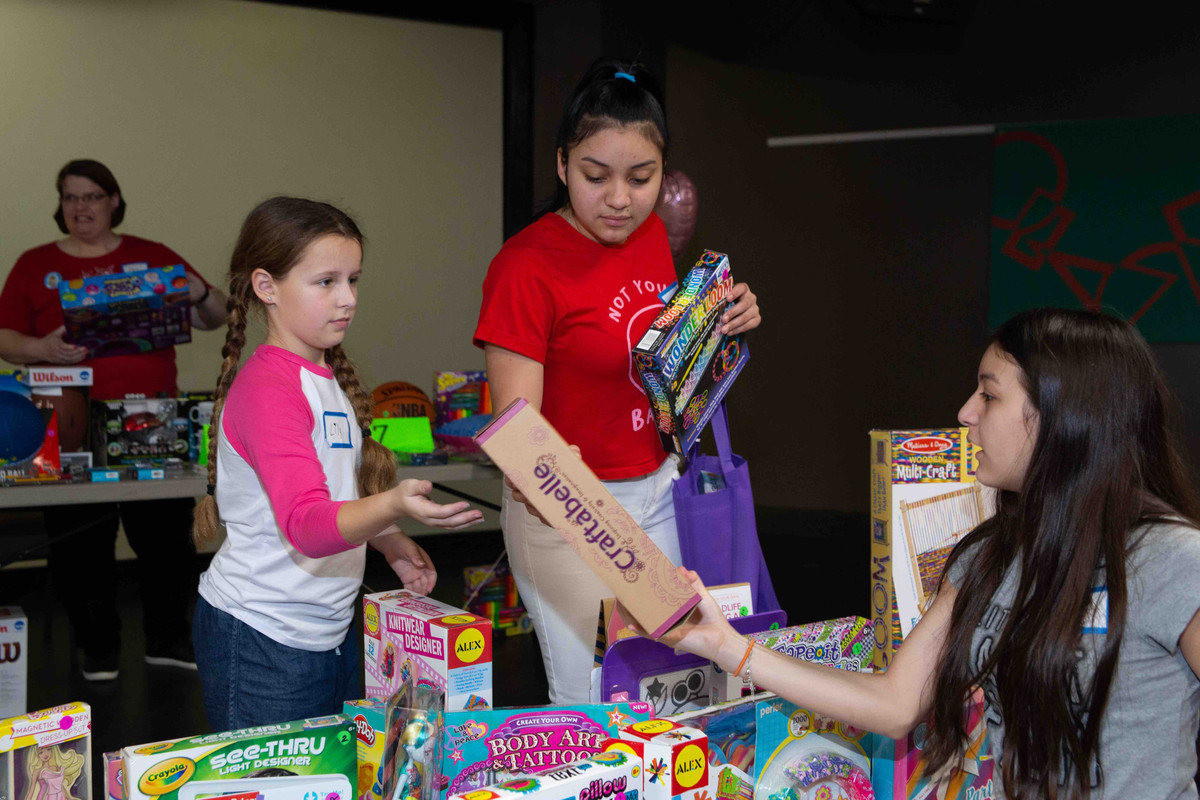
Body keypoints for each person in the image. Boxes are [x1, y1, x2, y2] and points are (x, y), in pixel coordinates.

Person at [650, 308, 1200, 799]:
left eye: (989, 394)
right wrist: (726, 647)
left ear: (1064, 414)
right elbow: (894, 703)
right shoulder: (989, 557)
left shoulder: (1174, 559)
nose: (965, 412)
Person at [473, 58, 763, 703]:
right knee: (593, 699)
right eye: (594, 176)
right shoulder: (525, 266)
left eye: (641, 178)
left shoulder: (651, 234)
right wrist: (564, 484)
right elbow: (523, 444)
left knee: (668, 688)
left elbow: (658, 354)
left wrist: (720, 320)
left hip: (658, 490)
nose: (619, 199)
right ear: (561, 167)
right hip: (571, 515)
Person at [192, 196, 483, 729]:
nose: (347, 298)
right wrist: (391, 503)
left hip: (327, 632)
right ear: (266, 286)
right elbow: (306, 525)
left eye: (354, 279)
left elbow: (334, 498)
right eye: (325, 282)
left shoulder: (322, 378)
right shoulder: (270, 389)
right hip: (262, 638)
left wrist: (389, 537)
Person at [0, 159, 230, 681]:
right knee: (80, 543)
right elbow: (5, 337)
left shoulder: (152, 257)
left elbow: (215, 315)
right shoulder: (34, 264)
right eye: (70, 197)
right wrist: (41, 347)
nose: (81, 207)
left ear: (114, 201)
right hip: (66, 424)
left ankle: (168, 638)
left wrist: (198, 290)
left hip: (150, 419)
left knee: (167, 537)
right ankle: (97, 647)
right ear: (60, 205)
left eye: (92, 196)